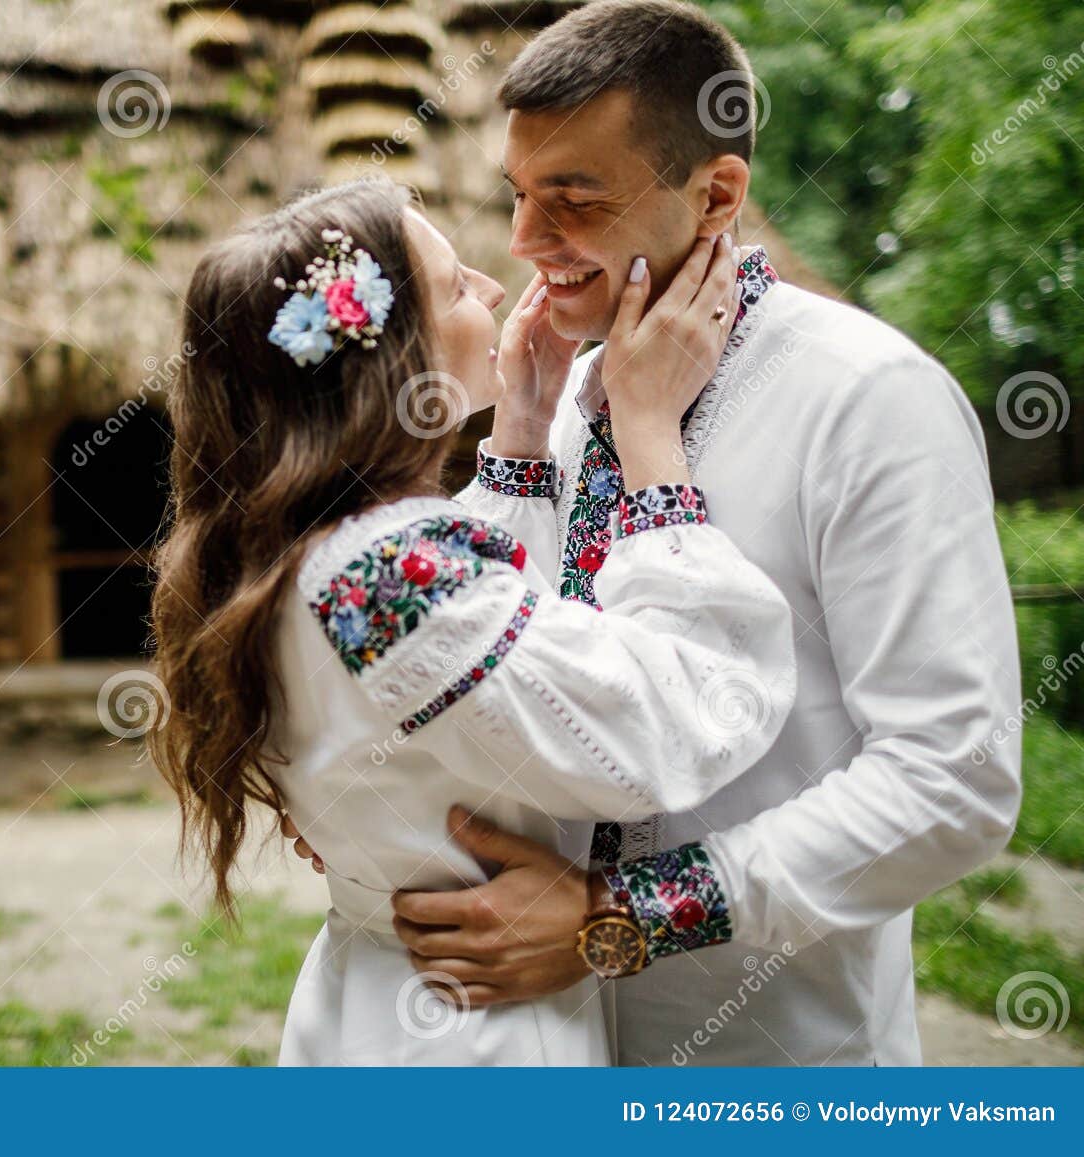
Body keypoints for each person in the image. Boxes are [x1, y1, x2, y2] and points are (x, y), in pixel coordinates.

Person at [289, 0, 1022, 1066]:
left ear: (715, 192)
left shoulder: (870, 399)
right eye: (519, 197)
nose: (528, 246)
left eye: (572, 202)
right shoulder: (567, 391)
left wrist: (616, 913)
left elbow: (955, 776)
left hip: (775, 1055)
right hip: (540, 1052)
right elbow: (517, 669)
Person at [149, 176, 796, 1064]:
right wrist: (651, 442)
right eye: (456, 286)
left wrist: (524, 432)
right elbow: (667, 729)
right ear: (391, 360)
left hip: (376, 998)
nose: (495, 288)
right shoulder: (387, 571)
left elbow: (471, 670)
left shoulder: (296, 555)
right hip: (476, 1033)